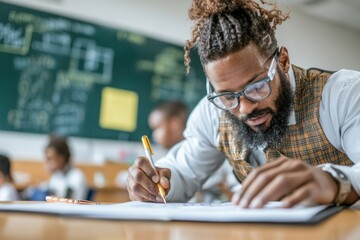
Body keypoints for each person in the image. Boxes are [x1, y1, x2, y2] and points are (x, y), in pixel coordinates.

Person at [127, 0, 360, 208]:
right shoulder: (212, 112)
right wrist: (157, 182)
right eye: (228, 96)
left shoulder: (342, 94)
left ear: (283, 61)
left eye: (256, 87)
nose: (245, 108)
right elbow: (183, 173)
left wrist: (334, 181)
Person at [40, 135, 88, 200]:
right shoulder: (57, 175)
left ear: (61, 158)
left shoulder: (77, 177)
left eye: (50, 159)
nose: (47, 162)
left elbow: (67, 203)